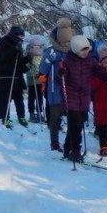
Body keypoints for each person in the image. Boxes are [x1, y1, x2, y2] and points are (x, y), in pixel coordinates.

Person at [58, 35, 107, 161]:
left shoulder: (90, 60)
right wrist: (61, 73)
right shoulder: (67, 61)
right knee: (76, 125)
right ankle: (75, 151)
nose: (85, 52)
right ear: (75, 50)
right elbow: (61, 78)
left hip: (84, 97)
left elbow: (99, 71)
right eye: (82, 50)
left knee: (78, 124)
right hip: (71, 97)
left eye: (87, 49)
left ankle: (68, 149)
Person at [0, 26, 29, 128]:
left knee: (19, 99)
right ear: (14, 35)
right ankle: (5, 117)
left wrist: (27, 60)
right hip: (4, 77)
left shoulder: (18, 45)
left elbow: (18, 63)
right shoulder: (2, 43)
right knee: (4, 99)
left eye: (22, 36)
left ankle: (21, 116)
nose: (21, 38)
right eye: (20, 35)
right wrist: (14, 50)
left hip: (16, 78)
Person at [38, 17, 75, 151]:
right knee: (55, 117)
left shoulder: (74, 51)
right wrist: (50, 61)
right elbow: (42, 69)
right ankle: (54, 141)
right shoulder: (51, 51)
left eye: (69, 41)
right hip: (55, 89)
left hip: (71, 89)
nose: (66, 44)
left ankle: (70, 142)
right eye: (64, 41)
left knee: (73, 116)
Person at [24, 38, 46, 123]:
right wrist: (31, 73)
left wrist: (42, 74)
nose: (36, 48)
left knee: (40, 98)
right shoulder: (28, 57)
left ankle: (40, 112)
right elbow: (26, 69)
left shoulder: (42, 56)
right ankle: (32, 114)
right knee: (32, 97)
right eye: (34, 47)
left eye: (38, 47)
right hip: (31, 81)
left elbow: (43, 67)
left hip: (40, 81)